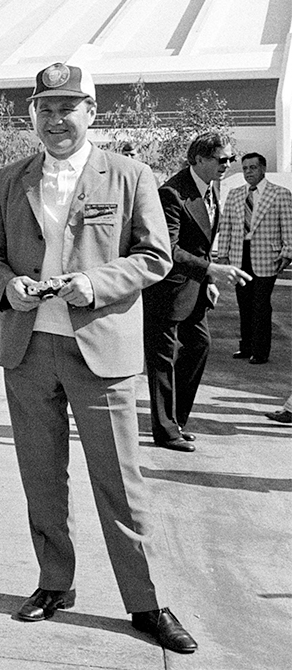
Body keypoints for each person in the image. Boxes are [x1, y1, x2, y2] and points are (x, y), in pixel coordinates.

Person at [0, 62, 196, 654]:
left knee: (119, 483)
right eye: (45, 108)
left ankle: (145, 602)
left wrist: (96, 284)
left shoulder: (129, 174)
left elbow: (154, 257)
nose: (55, 119)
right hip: (28, 348)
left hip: (100, 350)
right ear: (34, 116)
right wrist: (4, 285)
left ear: (91, 113)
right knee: (41, 478)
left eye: (67, 108)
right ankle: (54, 584)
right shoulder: (9, 177)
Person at [143, 134, 249, 453]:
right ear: (199, 159)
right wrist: (212, 271)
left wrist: (208, 282)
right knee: (161, 360)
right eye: (222, 159)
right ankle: (165, 430)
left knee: (200, 345)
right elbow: (168, 249)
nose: (228, 165)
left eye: (230, 159)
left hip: (195, 289)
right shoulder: (172, 194)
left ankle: (175, 420)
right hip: (167, 290)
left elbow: (201, 242)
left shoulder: (211, 188)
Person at [215, 152, 292, 364]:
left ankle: (260, 351)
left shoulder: (280, 194)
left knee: (261, 304)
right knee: (244, 303)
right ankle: (246, 346)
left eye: (253, 168)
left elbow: (288, 227)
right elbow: (227, 228)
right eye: (245, 168)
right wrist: (222, 256)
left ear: (263, 169)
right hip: (240, 256)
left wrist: (287, 253)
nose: (248, 172)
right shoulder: (235, 194)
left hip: (268, 257)